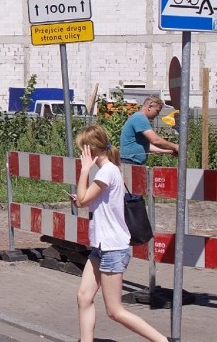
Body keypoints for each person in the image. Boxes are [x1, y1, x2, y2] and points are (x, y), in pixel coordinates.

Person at [71, 125, 167, 342]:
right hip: (101, 247)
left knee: (115, 311)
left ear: (91, 150)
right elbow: (87, 201)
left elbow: (84, 200)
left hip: (112, 248)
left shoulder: (107, 171)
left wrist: (85, 169)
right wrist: (80, 198)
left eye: (82, 150)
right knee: (84, 297)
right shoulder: (107, 171)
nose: (81, 155)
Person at [120, 95, 179, 166]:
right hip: (129, 162)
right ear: (150, 106)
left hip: (131, 162)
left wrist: (170, 151)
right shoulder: (140, 118)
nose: (157, 114)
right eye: (157, 111)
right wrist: (175, 146)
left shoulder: (139, 117)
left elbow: (148, 147)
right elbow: (156, 140)